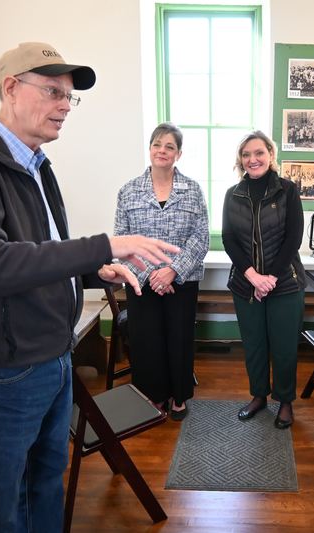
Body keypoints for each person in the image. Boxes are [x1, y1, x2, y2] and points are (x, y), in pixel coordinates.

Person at [0, 42, 179, 532]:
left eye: (69, 96)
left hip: (50, 361)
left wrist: (91, 271)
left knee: (43, 487)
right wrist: (104, 245)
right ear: (11, 89)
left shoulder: (37, 164)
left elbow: (38, 253)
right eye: (53, 91)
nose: (65, 105)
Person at [114, 122, 209, 421]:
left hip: (181, 280)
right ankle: (153, 397)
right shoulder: (128, 191)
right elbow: (120, 240)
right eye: (157, 144)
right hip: (141, 281)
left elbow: (201, 237)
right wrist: (151, 275)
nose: (162, 151)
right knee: (147, 342)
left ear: (178, 154)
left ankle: (178, 397)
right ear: (150, 148)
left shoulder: (192, 190)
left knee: (178, 340)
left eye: (169, 146)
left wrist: (172, 271)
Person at [222, 131, 306, 429]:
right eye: (246, 154)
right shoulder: (232, 194)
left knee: (284, 347)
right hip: (246, 285)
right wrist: (253, 277)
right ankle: (259, 395)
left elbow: (293, 238)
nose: (252, 159)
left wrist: (269, 278)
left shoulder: (288, 190)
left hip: (284, 284)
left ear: (271, 155)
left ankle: (285, 402)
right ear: (240, 160)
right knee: (254, 345)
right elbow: (229, 239)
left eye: (258, 153)